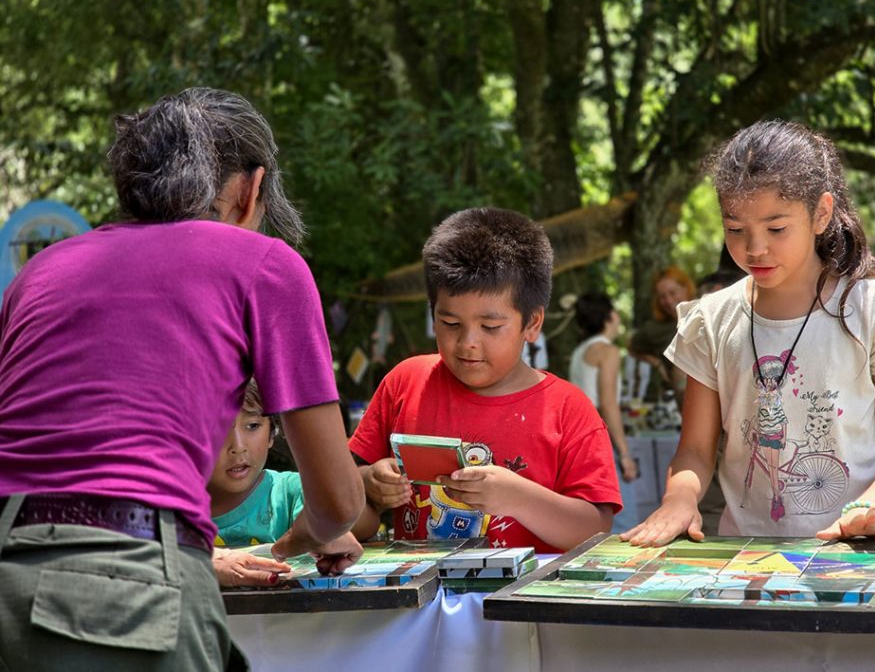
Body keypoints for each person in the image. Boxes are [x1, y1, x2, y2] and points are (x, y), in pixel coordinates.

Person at [0, 88, 364, 670]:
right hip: (123, 590)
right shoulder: (264, 265)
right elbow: (339, 501)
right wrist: (298, 541)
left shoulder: (39, 273)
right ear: (250, 189)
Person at [622, 119, 875, 546]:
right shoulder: (710, 321)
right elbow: (694, 451)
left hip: (859, 555)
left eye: (776, 228)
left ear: (821, 213)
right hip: (748, 560)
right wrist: (680, 496)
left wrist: (869, 507)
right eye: (735, 229)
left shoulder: (873, 312)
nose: (755, 249)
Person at [348, 207, 622, 553]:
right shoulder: (406, 382)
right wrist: (369, 483)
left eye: (490, 327)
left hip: (521, 603)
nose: (467, 343)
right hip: (417, 603)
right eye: (449, 324)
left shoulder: (568, 409)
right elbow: (341, 492)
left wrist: (519, 498)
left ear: (532, 324)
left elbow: (596, 528)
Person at [209, 381, 364, 587]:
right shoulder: (170, 505)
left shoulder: (293, 493)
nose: (238, 447)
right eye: (219, 427)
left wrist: (329, 533)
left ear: (272, 433)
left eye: (253, 426)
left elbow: (328, 527)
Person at [568, 292, 639, 533]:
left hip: (577, 437)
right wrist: (625, 453)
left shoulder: (579, 351)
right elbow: (608, 404)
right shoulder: (607, 351)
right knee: (624, 520)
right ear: (609, 317)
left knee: (595, 517)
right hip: (601, 437)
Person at [628, 265, 696, 409]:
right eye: (662, 297)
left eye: (673, 292)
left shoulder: (707, 311)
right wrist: (657, 364)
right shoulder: (655, 328)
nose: (669, 300)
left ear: (685, 288)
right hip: (686, 403)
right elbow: (631, 345)